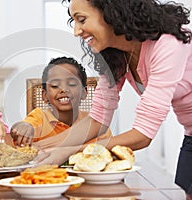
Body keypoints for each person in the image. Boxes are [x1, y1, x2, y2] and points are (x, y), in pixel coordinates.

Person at [35, 0, 192, 195]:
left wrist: (73, 150)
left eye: (81, 19)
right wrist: (38, 148)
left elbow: (143, 134)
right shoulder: (117, 55)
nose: (76, 31)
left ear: (112, 12)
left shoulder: (167, 43)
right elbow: (97, 120)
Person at [10, 56, 111, 149]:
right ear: (45, 96)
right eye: (54, 85)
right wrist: (23, 127)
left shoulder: (95, 123)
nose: (63, 89)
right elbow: (23, 127)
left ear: (84, 93)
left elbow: (110, 152)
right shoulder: (39, 118)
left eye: (71, 84)